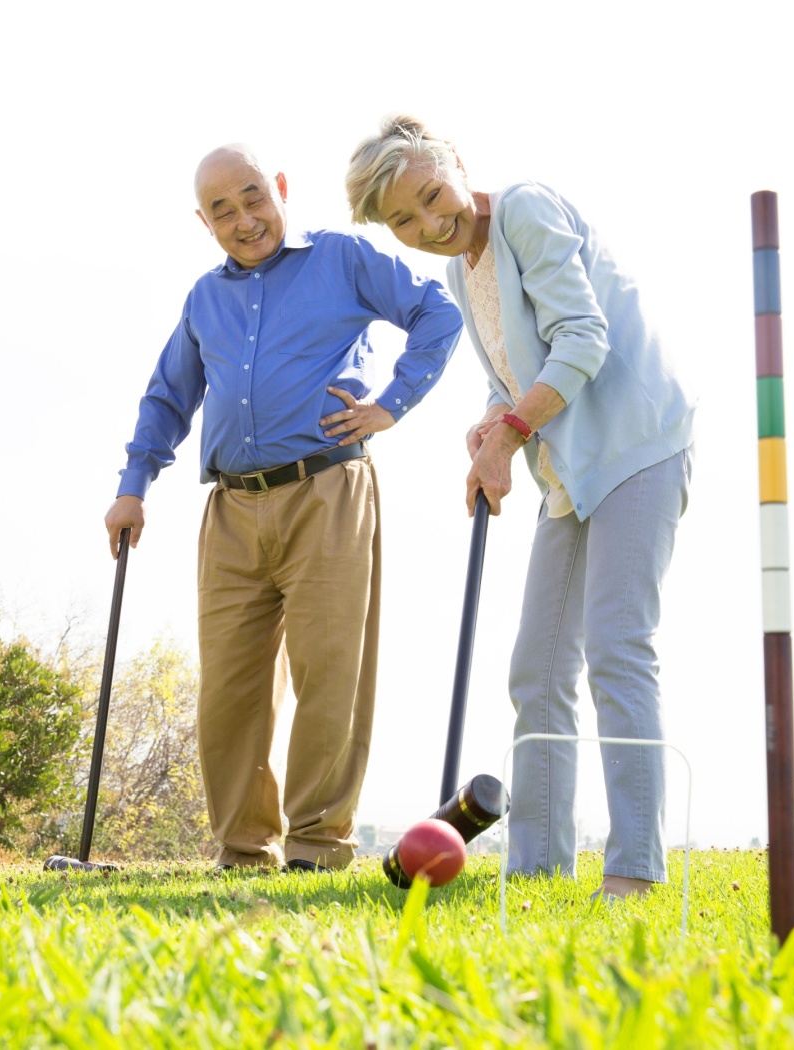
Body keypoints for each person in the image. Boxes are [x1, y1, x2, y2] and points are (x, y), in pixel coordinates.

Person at [345, 116, 695, 898]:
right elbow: (516, 369)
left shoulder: (527, 209)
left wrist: (507, 435)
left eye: (435, 197)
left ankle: (635, 868)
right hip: (570, 471)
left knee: (616, 647)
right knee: (536, 669)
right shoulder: (457, 275)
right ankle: (537, 871)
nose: (432, 224)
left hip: (637, 444)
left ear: (458, 164)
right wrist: (489, 424)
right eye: (404, 220)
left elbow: (581, 338)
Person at [104, 145, 464, 872]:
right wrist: (132, 486)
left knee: (330, 676)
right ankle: (243, 849)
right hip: (232, 510)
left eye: (254, 197)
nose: (245, 219)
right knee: (229, 692)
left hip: (326, 490)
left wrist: (390, 404)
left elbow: (437, 312)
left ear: (282, 189)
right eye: (223, 210)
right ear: (203, 223)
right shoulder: (205, 299)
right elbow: (169, 395)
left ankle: (316, 847)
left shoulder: (341, 259)